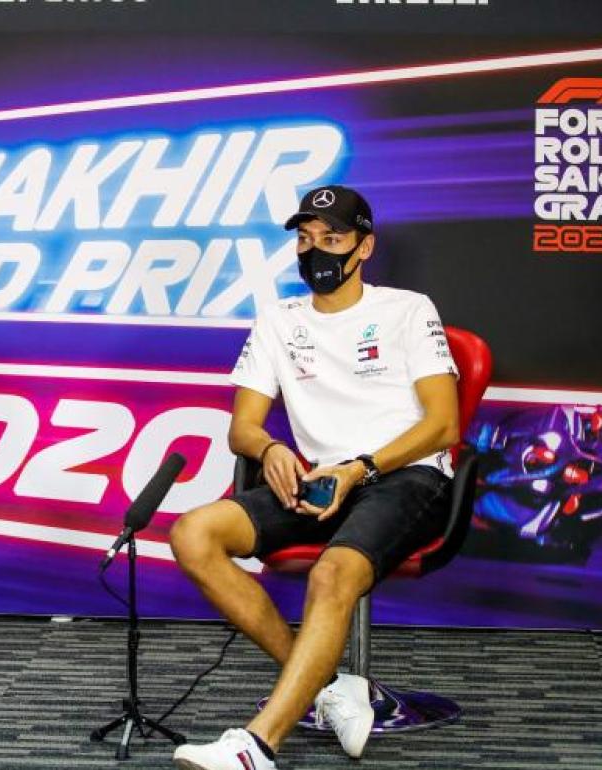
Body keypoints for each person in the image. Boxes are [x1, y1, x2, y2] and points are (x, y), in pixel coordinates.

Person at [170, 186, 460, 769]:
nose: (316, 252)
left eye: (332, 239)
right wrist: (270, 447)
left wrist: (362, 467)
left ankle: (256, 746)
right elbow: (243, 427)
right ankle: (330, 688)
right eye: (305, 240)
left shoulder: (407, 309)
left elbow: (445, 424)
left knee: (332, 575)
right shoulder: (279, 319)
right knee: (192, 534)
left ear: (365, 247)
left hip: (403, 476)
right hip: (317, 482)